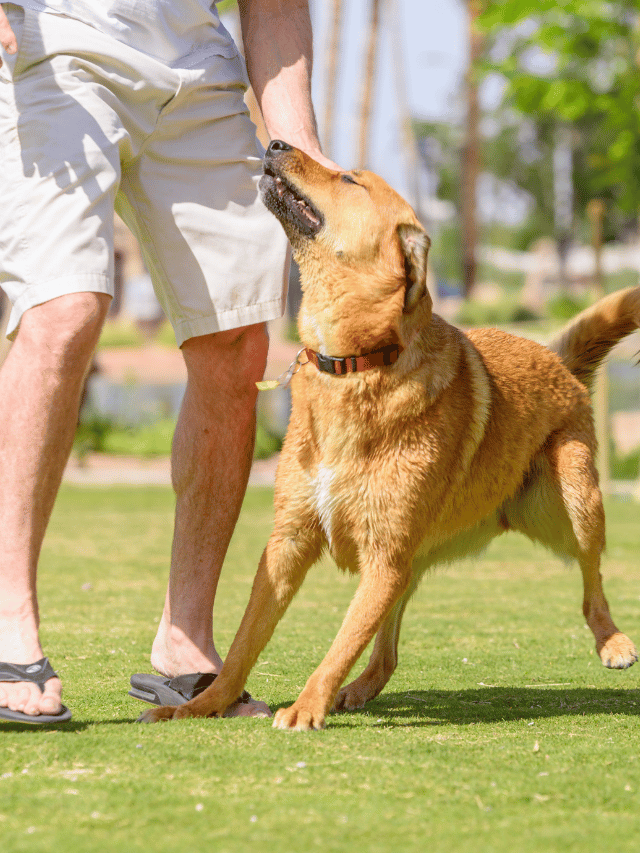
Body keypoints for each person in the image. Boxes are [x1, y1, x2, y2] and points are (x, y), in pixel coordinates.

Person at [0, 0, 337, 723]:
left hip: (193, 60)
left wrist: (299, 145)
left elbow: (272, 7)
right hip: (54, 37)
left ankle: (186, 643)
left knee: (236, 340)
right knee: (65, 309)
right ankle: (7, 626)